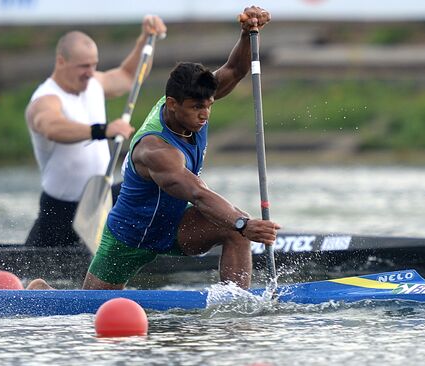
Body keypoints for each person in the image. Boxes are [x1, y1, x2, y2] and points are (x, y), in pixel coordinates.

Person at [27, 6, 280, 291]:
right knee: (89, 310)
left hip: (175, 224)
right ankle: (42, 291)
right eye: (197, 108)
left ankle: (236, 307)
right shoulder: (155, 148)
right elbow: (196, 192)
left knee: (236, 233)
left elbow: (235, 70)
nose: (205, 114)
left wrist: (247, 34)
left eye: (208, 105)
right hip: (129, 235)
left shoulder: (195, 101)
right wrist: (241, 223)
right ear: (172, 104)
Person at [24, 15, 167, 248]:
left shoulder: (94, 84)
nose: (91, 72)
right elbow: (51, 127)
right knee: (42, 268)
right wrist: (103, 130)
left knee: (152, 187)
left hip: (100, 199)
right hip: (61, 208)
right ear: (61, 61)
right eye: (83, 66)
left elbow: (130, 76)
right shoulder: (45, 99)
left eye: (93, 64)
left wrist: (145, 38)